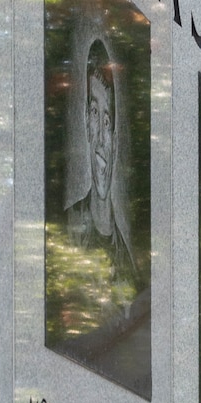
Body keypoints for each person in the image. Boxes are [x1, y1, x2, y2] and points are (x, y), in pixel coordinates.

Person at [67, 38, 137, 288]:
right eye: (95, 114)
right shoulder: (65, 230)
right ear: (86, 122)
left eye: (107, 122)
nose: (99, 140)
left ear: (115, 142)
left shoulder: (128, 270)